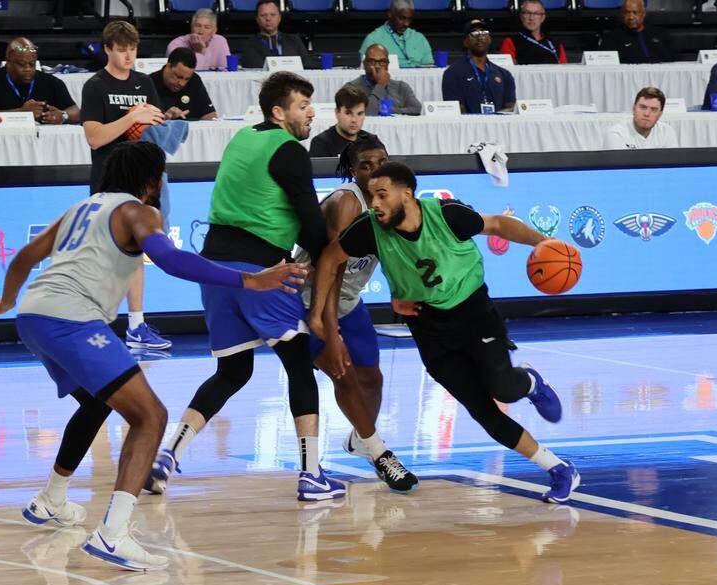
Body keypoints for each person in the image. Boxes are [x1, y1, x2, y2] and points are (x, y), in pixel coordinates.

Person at [0, 141, 306, 571]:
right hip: (71, 319)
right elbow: (170, 259)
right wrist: (250, 280)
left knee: (98, 402)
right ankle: (113, 535)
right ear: (152, 181)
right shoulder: (138, 211)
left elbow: (25, 256)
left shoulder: (80, 209)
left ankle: (51, 499)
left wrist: (6, 301)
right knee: (150, 416)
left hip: (33, 315)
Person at [308, 160, 579, 504]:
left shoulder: (446, 213)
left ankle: (530, 382)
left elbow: (496, 224)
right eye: (371, 196)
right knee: (483, 413)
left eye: (381, 195)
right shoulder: (369, 228)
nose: (374, 204)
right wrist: (317, 314)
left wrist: (546, 245)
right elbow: (330, 258)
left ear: (406, 194)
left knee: (503, 387)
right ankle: (559, 469)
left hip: (473, 313)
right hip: (429, 327)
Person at [144, 72, 344, 502]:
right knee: (299, 365)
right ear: (279, 112)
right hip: (260, 270)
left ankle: (168, 456)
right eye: (302, 106)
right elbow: (311, 226)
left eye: (312, 105)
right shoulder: (289, 149)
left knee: (233, 370)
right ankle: (311, 475)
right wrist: (337, 250)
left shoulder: (241, 138)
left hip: (216, 271)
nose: (312, 113)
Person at [297, 138, 418, 492]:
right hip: (310, 298)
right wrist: (329, 329)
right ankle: (381, 454)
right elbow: (330, 270)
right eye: (366, 165)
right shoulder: (346, 202)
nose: (376, 170)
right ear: (352, 171)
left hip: (349, 300)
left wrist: (400, 295)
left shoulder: (389, 202)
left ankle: (362, 437)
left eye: (382, 162)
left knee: (373, 380)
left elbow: (397, 255)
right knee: (344, 376)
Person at [81, 20, 170, 351]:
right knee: (106, 258)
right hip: (108, 179)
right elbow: (94, 137)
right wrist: (131, 119)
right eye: (121, 50)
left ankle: (136, 325)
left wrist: (146, 125)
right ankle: (95, 325)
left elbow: (153, 130)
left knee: (135, 253)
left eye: (132, 49)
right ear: (107, 49)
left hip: (140, 181)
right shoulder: (95, 86)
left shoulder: (145, 82)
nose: (128, 55)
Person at [0, 38, 79, 125]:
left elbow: (76, 111)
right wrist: (21, 113)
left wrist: (63, 116)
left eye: (32, 64)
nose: (28, 69)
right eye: (21, 64)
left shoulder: (52, 82)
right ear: (8, 62)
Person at [443, 19, 516, 114]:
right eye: (474, 34)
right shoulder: (452, 73)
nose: (480, 37)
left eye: (483, 33)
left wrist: (493, 119)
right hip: (469, 127)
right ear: (465, 42)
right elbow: (456, 110)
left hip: (499, 126)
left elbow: (511, 107)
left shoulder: (504, 74)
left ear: (490, 39)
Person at [344, 44, 422, 116]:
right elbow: (367, 113)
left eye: (382, 62)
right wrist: (380, 85)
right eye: (372, 61)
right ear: (364, 64)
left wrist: (387, 110)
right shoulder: (351, 88)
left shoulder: (401, 87)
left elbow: (417, 109)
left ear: (388, 64)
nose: (377, 66)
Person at [358, 0, 433, 68]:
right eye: (401, 18)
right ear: (390, 14)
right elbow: (368, 71)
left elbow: (429, 68)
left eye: (409, 19)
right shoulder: (373, 40)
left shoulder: (420, 38)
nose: (406, 24)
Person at [597, 0, 676, 64]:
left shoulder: (660, 34)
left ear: (643, 14)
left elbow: (674, 60)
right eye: (627, 13)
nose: (631, 17)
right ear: (622, 14)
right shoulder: (612, 37)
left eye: (635, 12)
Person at [150, 47, 217, 121]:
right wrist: (164, 118)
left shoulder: (194, 80)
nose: (182, 83)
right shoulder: (149, 83)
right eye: (178, 77)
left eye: (187, 79)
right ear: (168, 66)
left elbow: (210, 114)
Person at [309, 85, 377, 158]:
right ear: (337, 112)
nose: (354, 120)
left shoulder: (372, 141)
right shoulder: (321, 144)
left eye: (359, 114)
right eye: (348, 113)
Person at [239, 0, 309, 70]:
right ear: (257, 19)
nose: (268, 19)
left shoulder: (294, 40)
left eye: (273, 15)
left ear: (279, 18)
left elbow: (306, 64)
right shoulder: (249, 44)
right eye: (263, 15)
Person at [603, 87, 678, 150]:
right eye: (643, 107)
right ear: (634, 109)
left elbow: (672, 165)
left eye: (653, 109)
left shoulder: (667, 132)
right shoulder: (616, 134)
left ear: (660, 114)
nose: (647, 114)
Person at [499, 0, 567, 65]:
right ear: (521, 16)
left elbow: (564, 70)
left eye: (536, 13)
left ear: (542, 18)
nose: (531, 18)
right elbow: (507, 73)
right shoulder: (510, 42)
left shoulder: (555, 44)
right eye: (527, 13)